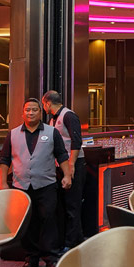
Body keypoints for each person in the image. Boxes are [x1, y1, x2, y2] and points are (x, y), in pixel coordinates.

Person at [0, 98, 72, 267]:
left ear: (40, 112)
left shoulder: (52, 132)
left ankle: (50, 257)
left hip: (46, 184)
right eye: (27, 110)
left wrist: (67, 175)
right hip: (21, 186)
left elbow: (62, 155)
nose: (30, 113)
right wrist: (2, 183)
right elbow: (4, 160)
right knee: (27, 223)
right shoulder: (13, 134)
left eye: (34, 110)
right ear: (22, 113)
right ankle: (31, 257)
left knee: (48, 220)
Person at [42, 90, 86, 254]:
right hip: (60, 165)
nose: (44, 108)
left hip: (73, 164)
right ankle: (73, 238)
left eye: (43, 105)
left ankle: (71, 243)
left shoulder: (68, 116)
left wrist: (71, 164)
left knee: (72, 204)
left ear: (48, 103)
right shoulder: (53, 119)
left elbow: (76, 141)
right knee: (64, 204)